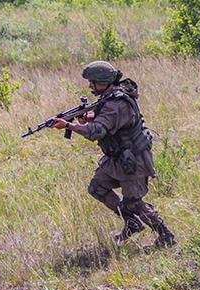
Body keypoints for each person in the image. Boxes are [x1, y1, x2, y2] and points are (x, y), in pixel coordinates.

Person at [50, 61, 176, 247]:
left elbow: (97, 132)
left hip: (133, 160)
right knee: (97, 188)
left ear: (105, 81)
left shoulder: (117, 102)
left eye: (94, 82)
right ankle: (132, 223)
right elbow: (109, 120)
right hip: (117, 158)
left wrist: (68, 125)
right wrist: (90, 117)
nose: (90, 86)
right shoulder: (109, 97)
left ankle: (166, 236)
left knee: (133, 202)